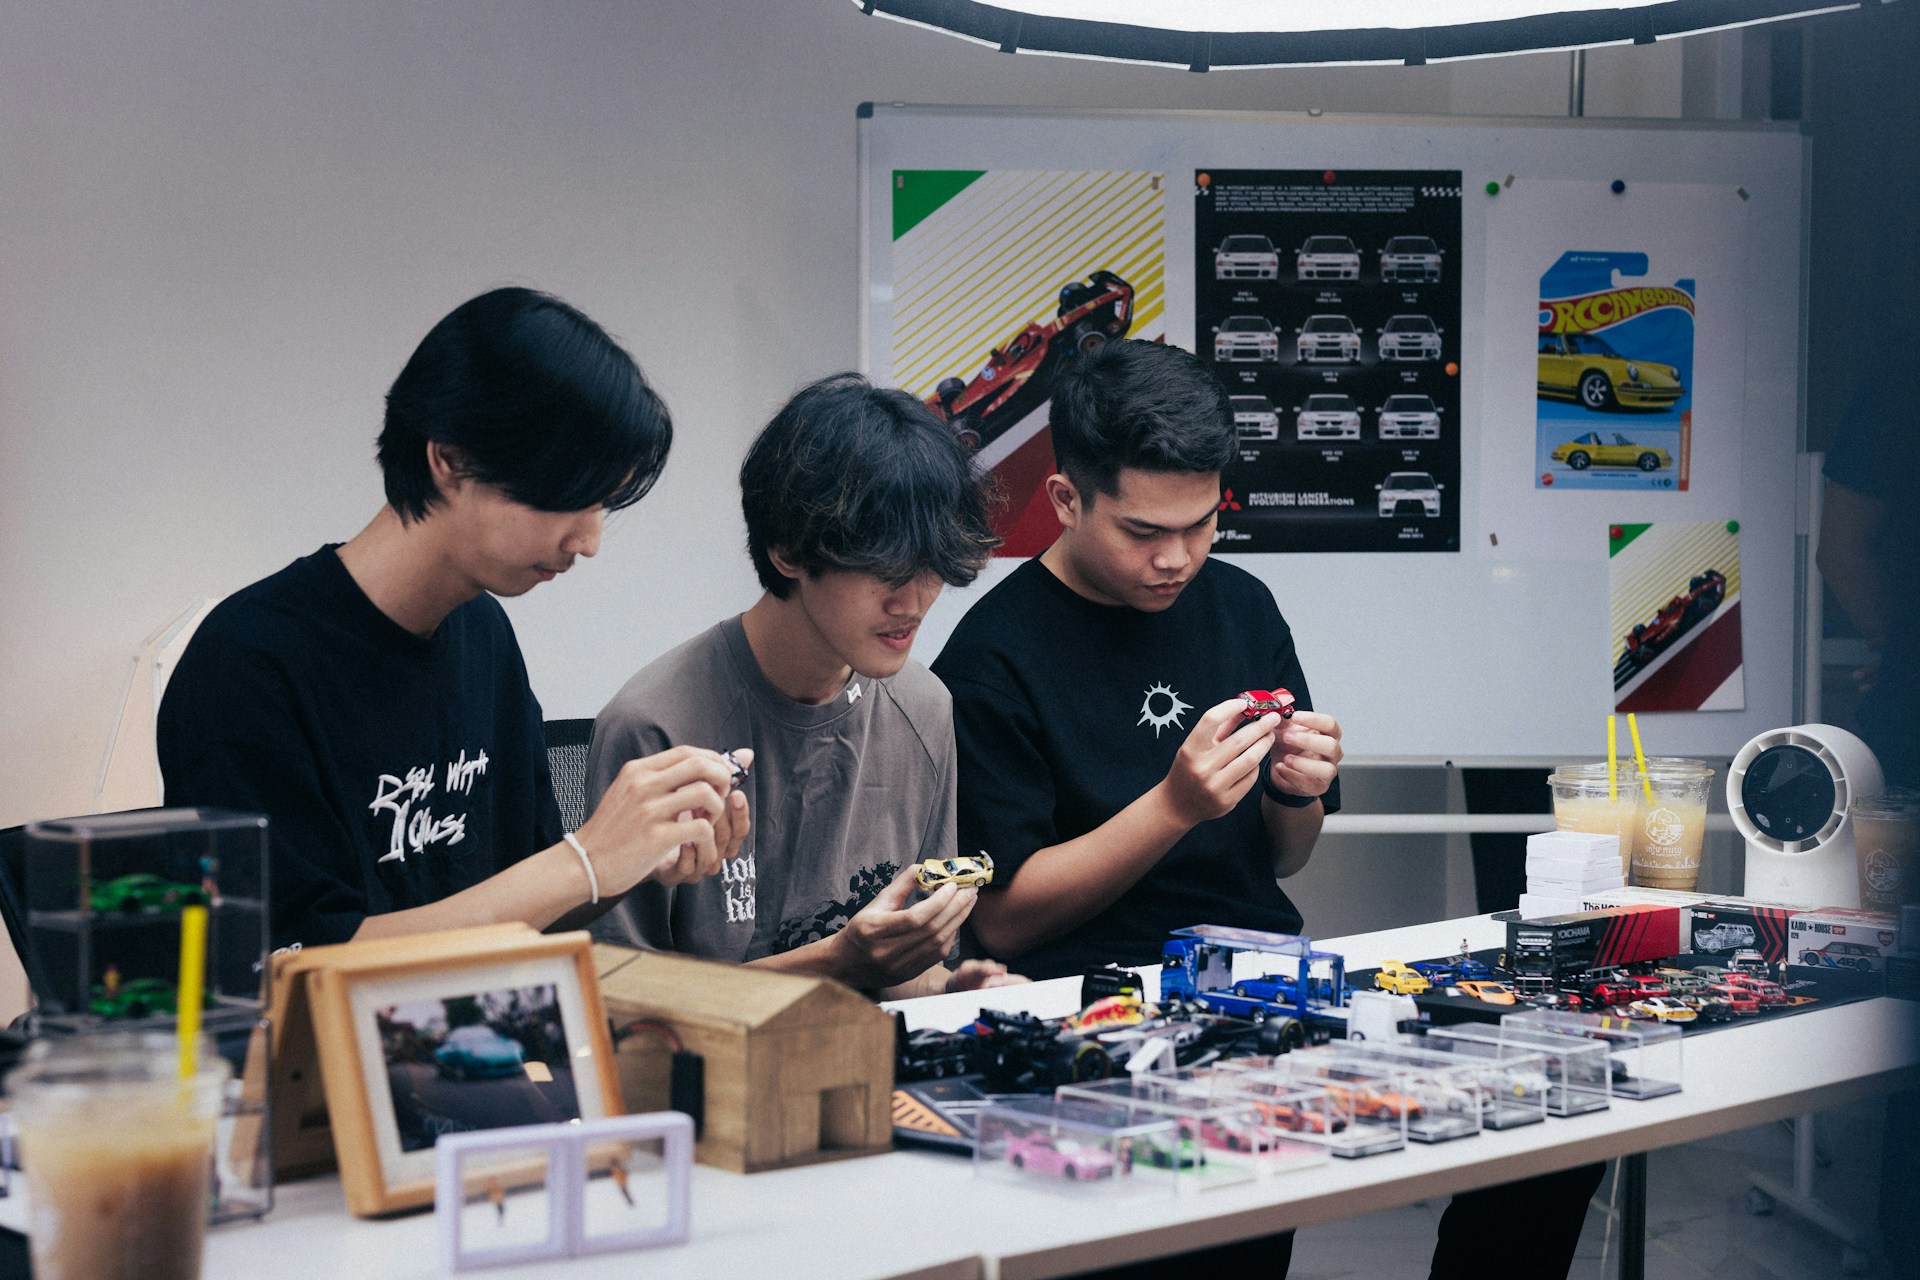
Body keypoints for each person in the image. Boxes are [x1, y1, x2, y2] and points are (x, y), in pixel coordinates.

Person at [931, 339, 1600, 1280]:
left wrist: (1299, 788)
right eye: (1142, 531)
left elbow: (1286, 857)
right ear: (1068, 501)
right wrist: (1172, 806)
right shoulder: (992, 656)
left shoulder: (1240, 604)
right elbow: (1002, 916)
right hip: (1093, 1021)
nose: (1176, 559)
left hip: (1261, 1001)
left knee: (1547, 1124)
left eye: (1202, 524)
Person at [159, 287, 747, 951]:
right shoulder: (249, 664)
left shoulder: (483, 635)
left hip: (487, 1047)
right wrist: (584, 861)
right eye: (568, 498)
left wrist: (633, 859)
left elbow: (527, 902)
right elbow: (296, 966)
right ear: (451, 459)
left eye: (603, 506)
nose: (588, 542)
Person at [586, 373, 1019, 998]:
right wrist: (837, 961)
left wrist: (948, 992)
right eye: (883, 568)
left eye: (930, 568)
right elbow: (621, 1006)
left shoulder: (924, 706)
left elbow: (909, 965)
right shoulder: (656, 725)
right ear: (788, 549)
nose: (914, 602)